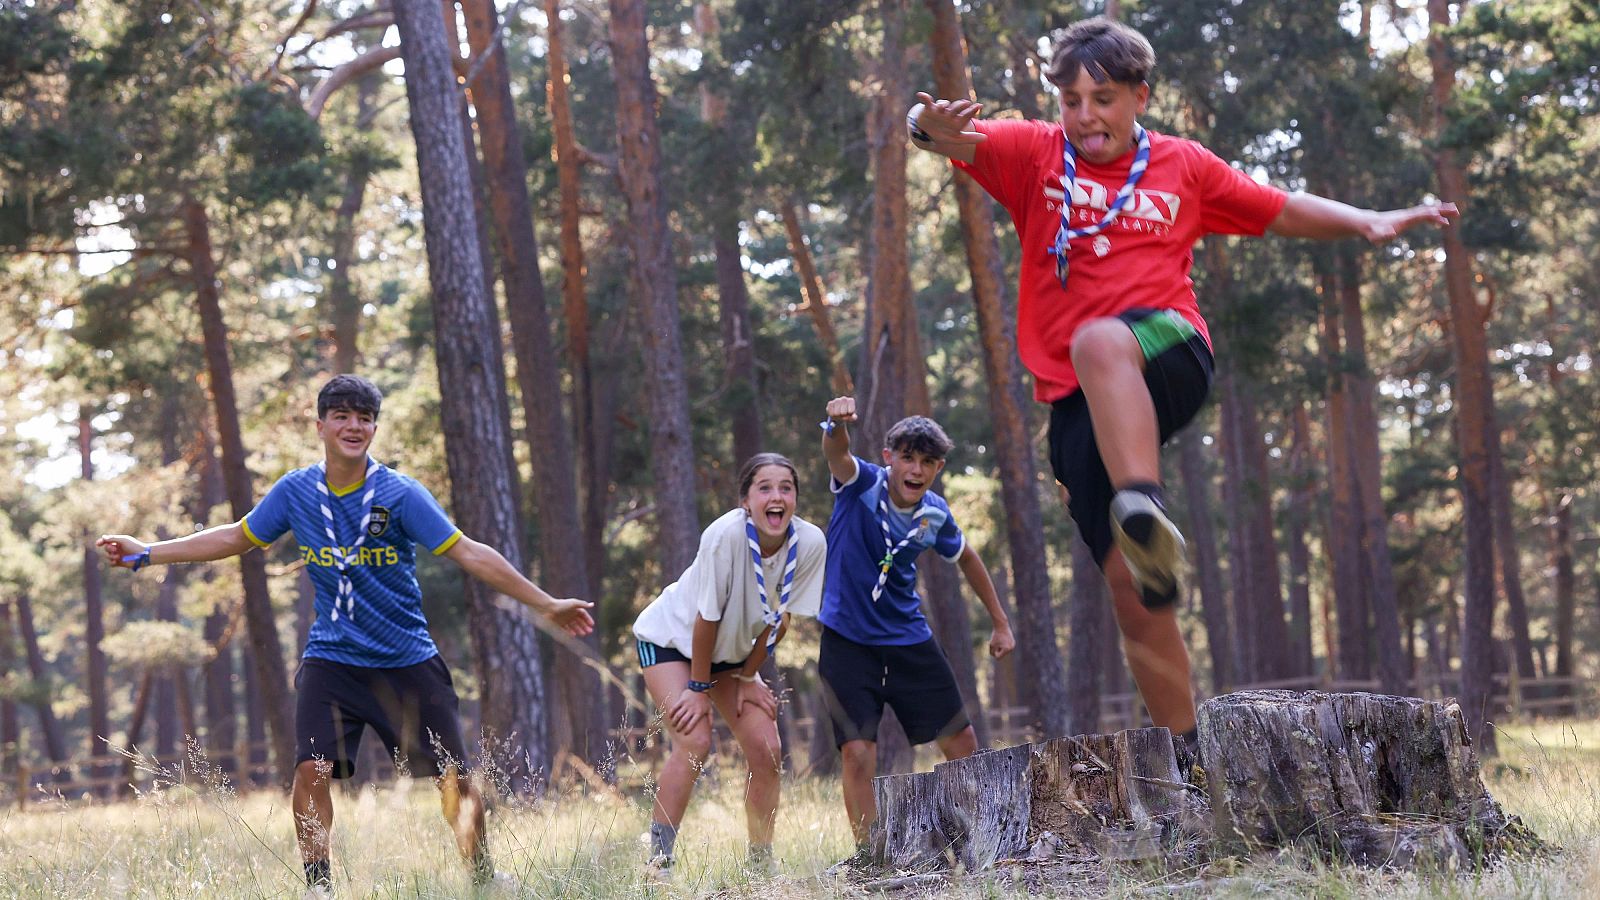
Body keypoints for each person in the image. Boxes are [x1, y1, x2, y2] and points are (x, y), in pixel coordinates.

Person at [905, 17, 1459, 759]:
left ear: (1140, 95)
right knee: (1134, 592)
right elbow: (942, 138)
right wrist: (925, 122)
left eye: (1102, 98)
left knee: (1101, 338)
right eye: (1070, 100)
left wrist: (1364, 221)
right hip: (1075, 399)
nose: (1084, 115)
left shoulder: (1182, 165)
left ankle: (1143, 501)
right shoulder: (1036, 152)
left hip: (1166, 349)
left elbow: (1278, 206)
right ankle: (1189, 758)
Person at [96, 375, 594, 896]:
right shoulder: (295, 492)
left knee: (454, 780)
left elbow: (468, 551)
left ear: (374, 428)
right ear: (321, 426)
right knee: (311, 769)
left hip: (407, 659)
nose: (353, 426)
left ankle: (485, 879)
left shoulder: (400, 495)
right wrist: (148, 550)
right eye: (341, 416)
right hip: (332, 661)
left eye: (363, 417)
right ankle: (319, 887)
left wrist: (546, 603)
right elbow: (235, 537)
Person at [818, 396, 1016, 858]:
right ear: (889, 456)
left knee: (962, 742)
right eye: (907, 457)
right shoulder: (860, 483)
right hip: (848, 641)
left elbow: (967, 558)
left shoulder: (935, 514)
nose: (916, 469)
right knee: (858, 752)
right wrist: (836, 424)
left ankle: (985, 843)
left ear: (939, 467)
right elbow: (836, 453)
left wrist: (1001, 622)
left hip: (908, 640)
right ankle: (869, 858)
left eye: (927, 462)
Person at [631, 452, 826, 878]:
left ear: (795, 499)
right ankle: (657, 863)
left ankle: (760, 867)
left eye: (786, 488)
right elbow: (707, 619)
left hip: (729, 659)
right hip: (673, 641)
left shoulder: (809, 544)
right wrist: (697, 688)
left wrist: (745, 675)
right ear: (746, 501)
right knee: (696, 740)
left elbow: (782, 621)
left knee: (768, 749)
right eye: (765, 488)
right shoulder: (726, 535)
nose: (777, 496)